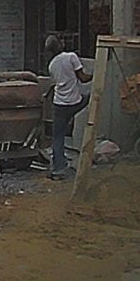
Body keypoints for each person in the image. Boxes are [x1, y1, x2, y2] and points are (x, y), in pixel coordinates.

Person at [47, 35, 92, 180]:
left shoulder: (51, 65)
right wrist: (96, 74)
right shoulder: (71, 57)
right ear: (60, 45)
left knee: (57, 137)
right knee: (91, 98)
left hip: (59, 105)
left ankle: (58, 169)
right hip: (75, 102)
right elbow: (83, 78)